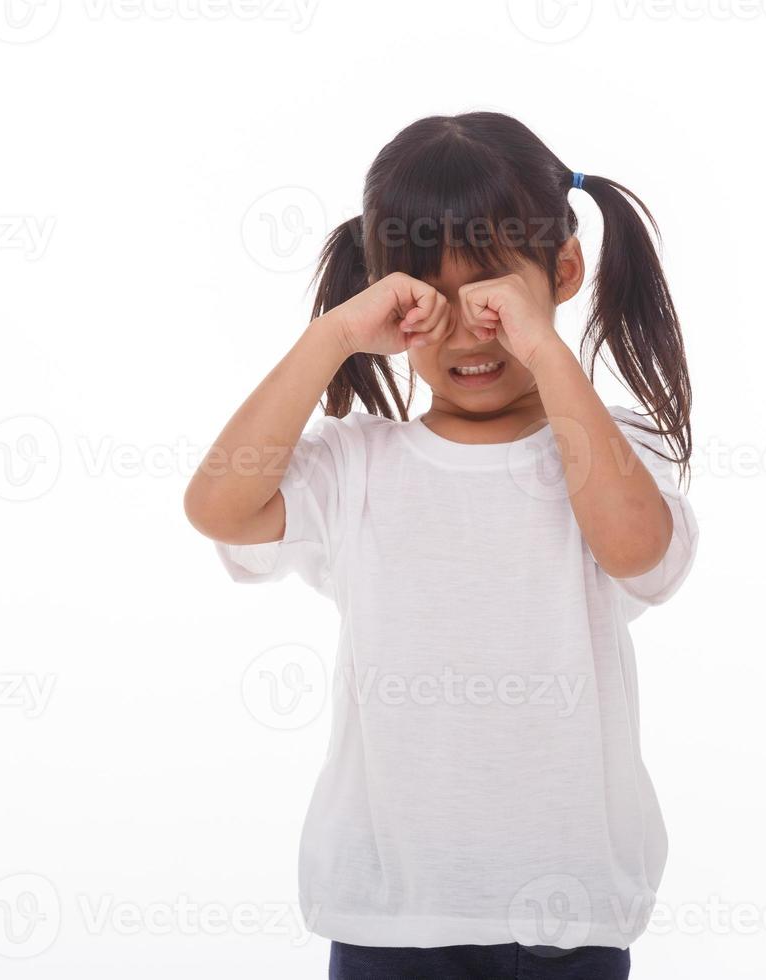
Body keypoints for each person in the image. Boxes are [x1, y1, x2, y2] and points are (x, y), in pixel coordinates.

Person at [184, 111, 699, 980]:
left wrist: (541, 346)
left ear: (564, 270)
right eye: (429, 294)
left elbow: (641, 550)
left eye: (494, 292)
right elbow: (219, 506)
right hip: (389, 915)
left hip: (570, 911)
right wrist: (333, 336)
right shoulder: (359, 466)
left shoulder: (613, 450)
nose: (468, 331)